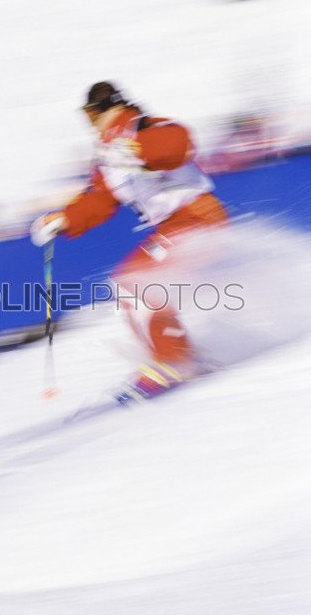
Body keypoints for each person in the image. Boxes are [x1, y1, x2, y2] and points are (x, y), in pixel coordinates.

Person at [31, 82, 228, 395]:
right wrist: (65, 219)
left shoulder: (143, 127)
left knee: (136, 283)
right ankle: (181, 357)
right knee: (131, 284)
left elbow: (179, 144)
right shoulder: (109, 157)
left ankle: (174, 361)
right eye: (87, 117)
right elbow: (99, 198)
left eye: (93, 116)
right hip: (174, 226)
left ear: (112, 107)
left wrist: (138, 149)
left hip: (198, 218)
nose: (91, 125)